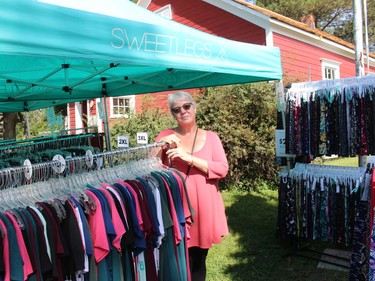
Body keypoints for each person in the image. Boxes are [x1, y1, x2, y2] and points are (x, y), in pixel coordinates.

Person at [155, 91, 229, 281]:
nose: (183, 111)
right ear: (173, 114)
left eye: (186, 106)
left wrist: (188, 158)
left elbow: (222, 169)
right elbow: (148, 169)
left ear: (194, 107)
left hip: (203, 210)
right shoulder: (165, 136)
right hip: (176, 208)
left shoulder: (211, 137)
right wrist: (159, 146)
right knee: (175, 259)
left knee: (197, 261)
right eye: (177, 109)